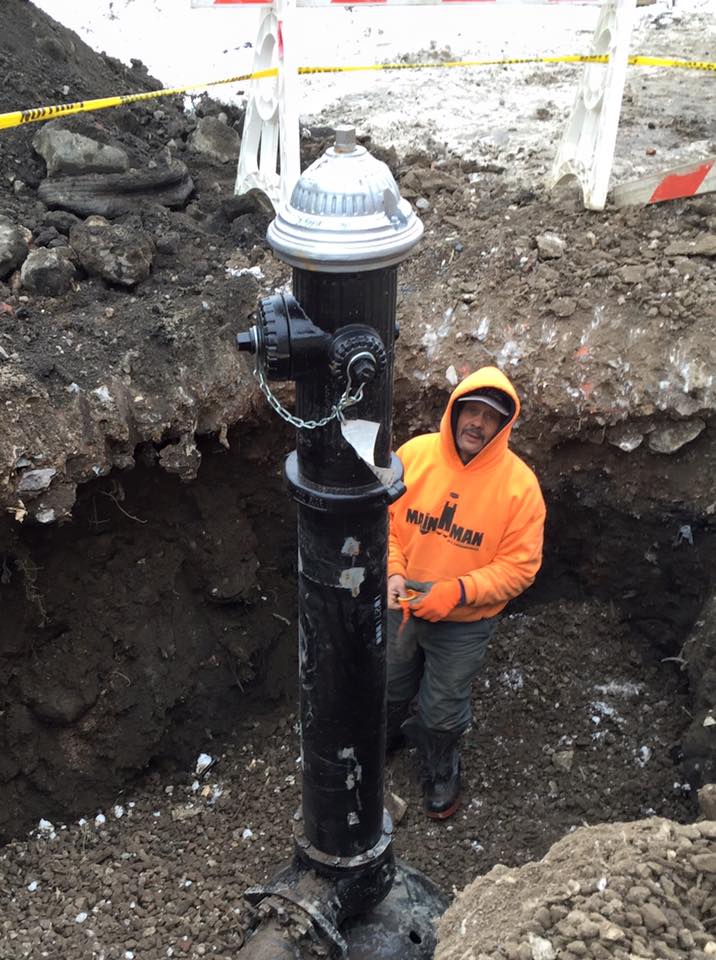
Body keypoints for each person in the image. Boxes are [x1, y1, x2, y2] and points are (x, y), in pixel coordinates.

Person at [386, 366, 546, 819]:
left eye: (489, 416)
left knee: (442, 706)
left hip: (464, 620)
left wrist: (456, 593)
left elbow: (520, 568)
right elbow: (383, 523)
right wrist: (393, 571)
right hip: (403, 602)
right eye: (470, 410)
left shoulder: (520, 488)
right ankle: (388, 733)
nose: (477, 423)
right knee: (389, 682)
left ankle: (440, 762)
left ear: (503, 426)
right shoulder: (414, 456)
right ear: (454, 412)